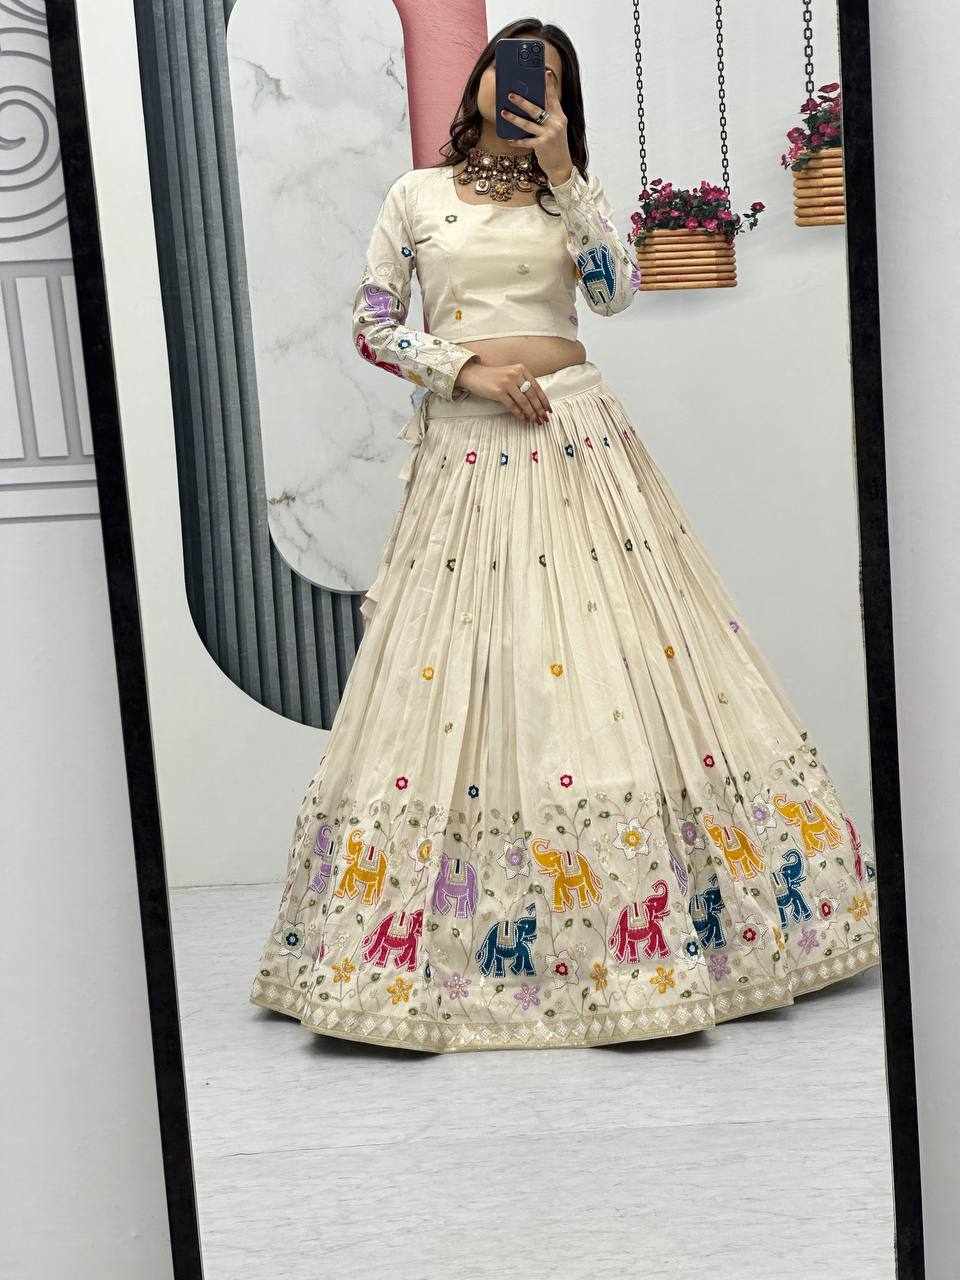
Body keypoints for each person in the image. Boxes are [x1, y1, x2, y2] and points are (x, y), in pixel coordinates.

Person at [249, 19, 879, 1053]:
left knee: (610, 659)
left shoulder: (565, 195)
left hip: (576, 434)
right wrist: (466, 369)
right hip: (468, 444)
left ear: (561, 100)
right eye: (511, 67)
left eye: (545, 76)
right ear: (479, 81)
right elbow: (373, 322)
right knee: (466, 665)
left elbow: (613, 292)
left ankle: (666, 938)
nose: (523, 84)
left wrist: (564, 175)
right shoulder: (417, 195)